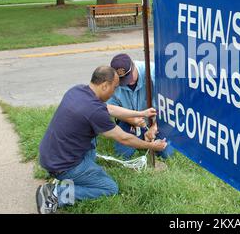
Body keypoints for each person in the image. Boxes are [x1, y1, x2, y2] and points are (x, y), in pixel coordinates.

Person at [36, 66, 167, 214]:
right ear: (104, 85)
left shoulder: (78, 90)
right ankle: (54, 193)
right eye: (115, 87)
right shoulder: (94, 111)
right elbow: (123, 138)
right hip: (63, 165)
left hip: (49, 154)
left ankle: (74, 177)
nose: (115, 92)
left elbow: (109, 108)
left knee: (92, 138)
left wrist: (141, 113)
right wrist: (151, 146)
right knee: (109, 188)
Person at [108, 53, 174, 159]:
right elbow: (111, 108)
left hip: (159, 120)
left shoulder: (153, 72)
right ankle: (140, 138)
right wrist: (131, 120)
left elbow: (170, 103)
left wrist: (155, 127)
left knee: (166, 153)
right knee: (122, 154)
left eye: (129, 77)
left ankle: (143, 137)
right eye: (122, 80)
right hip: (128, 121)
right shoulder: (111, 81)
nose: (128, 82)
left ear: (134, 66)